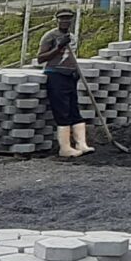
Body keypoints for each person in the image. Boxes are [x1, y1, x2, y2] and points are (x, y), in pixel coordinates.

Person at [39, 9, 90, 158]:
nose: (65, 22)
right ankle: (65, 148)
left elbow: (72, 57)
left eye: (68, 19)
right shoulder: (50, 36)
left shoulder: (72, 37)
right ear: (57, 20)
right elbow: (41, 58)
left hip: (70, 76)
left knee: (74, 109)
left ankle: (81, 143)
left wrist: (75, 71)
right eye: (62, 19)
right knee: (62, 111)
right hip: (55, 75)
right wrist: (59, 47)